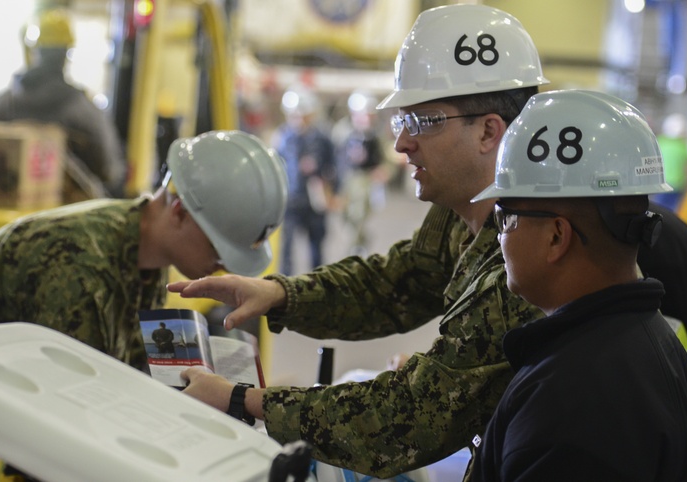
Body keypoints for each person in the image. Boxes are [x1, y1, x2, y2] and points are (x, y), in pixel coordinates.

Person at [174, 5, 549, 477]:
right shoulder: (468, 213)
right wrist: (280, 294)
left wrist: (241, 400)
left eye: (422, 122)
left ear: (489, 131)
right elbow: (397, 283)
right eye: (401, 122)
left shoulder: (524, 253)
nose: (401, 144)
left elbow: (407, 420)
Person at [0, 129, 287, 472]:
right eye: (219, 248)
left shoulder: (144, 254)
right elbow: (77, 423)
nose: (222, 265)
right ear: (179, 211)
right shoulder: (79, 262)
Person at [465, 89, 687, 480]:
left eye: (505, 218)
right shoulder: (650, 342)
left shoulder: (571, 404)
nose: (500, 236)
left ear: (556, 237)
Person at [0, 9, 128, 198]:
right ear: (66, 55)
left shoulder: (0, 106)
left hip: (3, 204)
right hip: (66, 216)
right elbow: (110, 170)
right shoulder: (84, 112)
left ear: (33, 51)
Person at [273, 84, 338, 274]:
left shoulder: (323, 138)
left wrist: (334, 192)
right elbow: (275, 166)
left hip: (315, 203)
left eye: (303, 115)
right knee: (286, 248)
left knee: (316, 246)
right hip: (290, 201)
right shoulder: (282, 137)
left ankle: (317, 283)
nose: (299, 120)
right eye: (294, 115)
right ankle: (283, 287)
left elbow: (334, 167)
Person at [335, 89, 390, 255]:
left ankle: (354, 251)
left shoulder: (376, 135)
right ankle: (361, 242)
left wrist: (384, 171)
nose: (367, 119)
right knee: (346, 217)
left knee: (358, 215)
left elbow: (386, 159)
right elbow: (335, 157)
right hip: (346, 180)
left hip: (366, 181)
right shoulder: (342, 132)